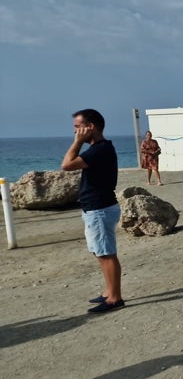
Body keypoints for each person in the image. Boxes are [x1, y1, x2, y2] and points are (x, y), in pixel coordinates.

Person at [61, 109, 124, 313]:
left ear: (91, 127)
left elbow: (67, 165)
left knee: (107, 254)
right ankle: (109, 291)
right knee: (100, 252)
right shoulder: (100, 149)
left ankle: (115, 298)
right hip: (96, 209)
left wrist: (77, 143)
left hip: (100, 209)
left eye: (78, 127)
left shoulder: (100, 150)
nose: (75, 132)